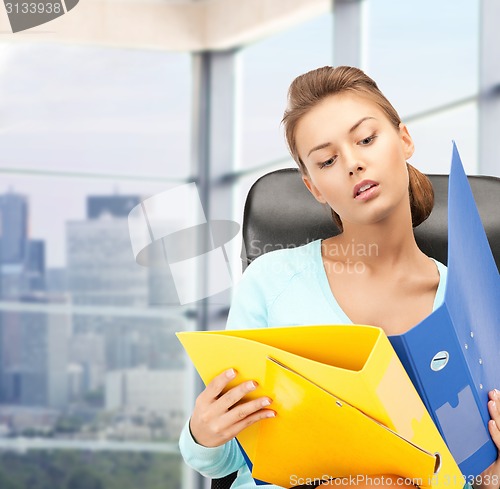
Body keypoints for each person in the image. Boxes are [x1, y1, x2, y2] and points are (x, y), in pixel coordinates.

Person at [179, 66, 500, 489]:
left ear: (404, 140)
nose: (353, 163)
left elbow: (475, 477)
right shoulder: (273, 282)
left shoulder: (475, 306)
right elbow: (226, 458)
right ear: (314, 187)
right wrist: (204, 431)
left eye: (366, 139)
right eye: (327, 160)